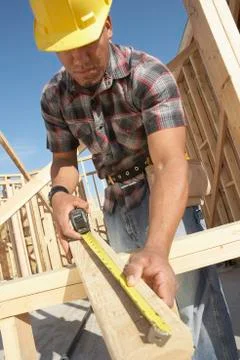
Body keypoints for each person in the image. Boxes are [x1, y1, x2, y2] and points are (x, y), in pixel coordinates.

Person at [29, 0, 238, 359]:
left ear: (107, 26)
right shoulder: (54, 97)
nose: (78, 59)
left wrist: (158, 248)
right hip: (114, 204)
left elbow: (170, 161)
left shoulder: (148, 74)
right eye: (65, 49)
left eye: (86, 43)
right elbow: (64, 159)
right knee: (138, 310)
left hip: (163, 193)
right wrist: (60, 194)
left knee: (194, 310)